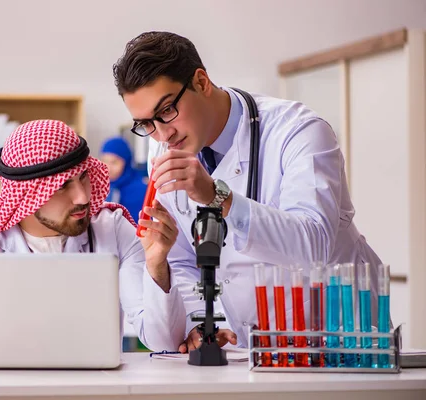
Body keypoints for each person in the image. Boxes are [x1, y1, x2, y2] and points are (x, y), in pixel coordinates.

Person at [112, 31, 385, 352]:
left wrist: (217, 197)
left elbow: (315, 248)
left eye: (168, 109)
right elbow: (184, 260)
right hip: (251, 347)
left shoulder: (298, 131)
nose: (162, 133)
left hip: (339, 335)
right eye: (146, 124)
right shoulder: (163, 150)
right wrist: (200, 324)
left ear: (201, 82)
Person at [0, 119, 210, 360]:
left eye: (83, 178)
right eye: (62, 187)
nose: (83, 197)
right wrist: (14, 348)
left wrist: (157, 264)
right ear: (29, 194)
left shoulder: (113, 227)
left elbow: (164, 341)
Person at [100, 136, 147, 219]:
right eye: (105, 161)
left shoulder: (142, 190)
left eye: (114, 162)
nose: (108, 168)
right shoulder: (99, 189)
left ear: (126, 162)